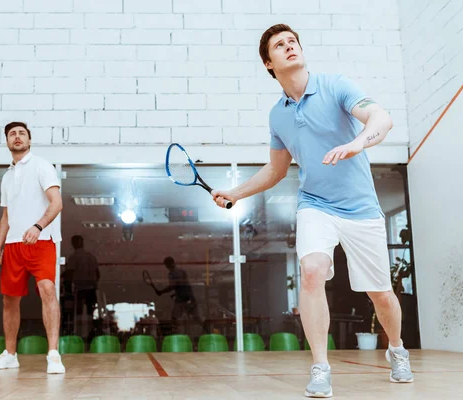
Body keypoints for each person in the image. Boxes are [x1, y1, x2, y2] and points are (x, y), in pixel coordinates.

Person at [211, 24, 413, 397]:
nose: (289, 47)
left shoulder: (335, 85)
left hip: (361, 208)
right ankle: (320, 366)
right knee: (311, 270)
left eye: (293, 42)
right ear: (268, 64)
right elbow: (275, 170)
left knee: (380, 293)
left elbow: (381, 119)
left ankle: (397, 350)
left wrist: (356, 144)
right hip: (315, 204)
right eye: (279, 45)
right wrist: (236, 193)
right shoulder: (278, 116)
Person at [0, 122, 65, 374]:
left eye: (22, 133)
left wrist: (38, 226)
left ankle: (53, 355)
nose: (17, 137)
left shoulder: (42, 166)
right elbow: (6, 217)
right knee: (9, 299)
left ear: (29, 140)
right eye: (12, 134)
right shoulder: (7, 176)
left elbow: (57, 203)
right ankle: (10, 355)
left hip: (41, 241)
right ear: (7, 142)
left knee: (47, 289)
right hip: (12, 246)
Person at [157, 257, 202, 327]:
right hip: (188, 298)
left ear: (167, 265)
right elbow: (183, 286)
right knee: (196, 318)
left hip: (182, 299)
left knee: (174, 318)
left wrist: (161, 292)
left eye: (167, 265)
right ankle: (207, 331)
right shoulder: (182, 271)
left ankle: (178, 333)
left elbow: (173, 286)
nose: (167, 267)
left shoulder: (172, 274)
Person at [66, 235, 100, 319]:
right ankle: (90, 329)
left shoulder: (73, 258)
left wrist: (68, 289)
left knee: (78, 313)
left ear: (73, 244)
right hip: (91, 289)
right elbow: (98, 274)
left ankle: (79, 329)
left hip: (79, 290)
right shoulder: (91, 257)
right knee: (90, 313)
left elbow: (69, 274)